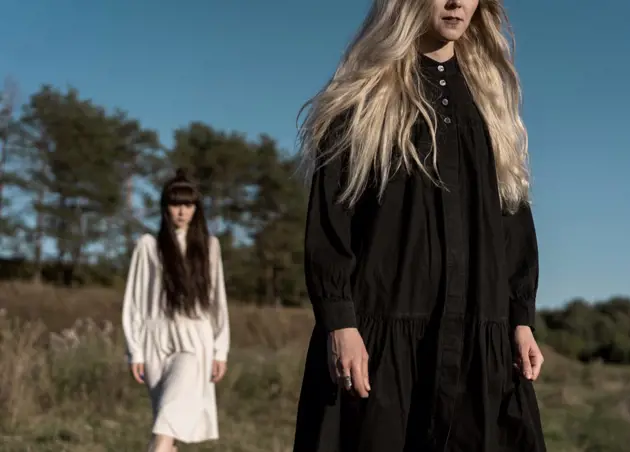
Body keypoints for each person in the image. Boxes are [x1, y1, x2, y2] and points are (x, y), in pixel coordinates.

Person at [293, 0, 546, 451]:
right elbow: (331, 220)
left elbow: (513, 221)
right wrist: (340, 323)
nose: (455, 3)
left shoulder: (491, 108)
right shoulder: (364, 99)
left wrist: (520, 319)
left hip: (476, 337)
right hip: (380, 341)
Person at [121, 168, 231, 452]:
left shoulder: (209, 247)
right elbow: (134, 301)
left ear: (196, 208)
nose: (181, 211)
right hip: (154, 338)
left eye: (188, 204)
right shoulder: (148, 246)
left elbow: (217, 300)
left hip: (195, 339)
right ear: (165, 207)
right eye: (175, 204)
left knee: (168, 420)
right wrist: (135, 350)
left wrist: (220, 349)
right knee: (166, 420)